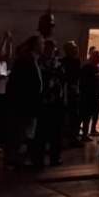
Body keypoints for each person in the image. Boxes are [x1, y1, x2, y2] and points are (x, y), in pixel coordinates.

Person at [4, 35, 42, 169]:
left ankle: (18, 159)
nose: (42, 46)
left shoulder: (32, 60)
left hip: (27, 102)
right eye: (41, 44)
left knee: (24, 133)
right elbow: (20, 84)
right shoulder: (26, 60)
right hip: (24, 103)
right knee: (20, 132)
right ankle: (14, 159)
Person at [31, 39, 65, 168]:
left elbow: (62, 80)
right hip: (43, 101)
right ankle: (38, 159)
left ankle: (54, 157)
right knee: (41, 132)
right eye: (47, 49)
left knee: (56, 132)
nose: (50, 51)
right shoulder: (39, 62)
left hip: (56, 101)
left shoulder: (57, 63)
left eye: (52, 49)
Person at [61, 41, 82, 148]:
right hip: (67, 91)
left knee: (74, 116)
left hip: (73, 91)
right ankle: (69, 138)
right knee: (69, 116)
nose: (76, 50)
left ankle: (73, 137)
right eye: (74, 48)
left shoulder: (75, 61)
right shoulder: (67, 62)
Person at [79, 49, 99, 141]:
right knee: (86, 115)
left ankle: (90, 130)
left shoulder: (93, 66)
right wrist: (97, 77)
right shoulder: (88, 67)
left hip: (93, 93)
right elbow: (86, 81)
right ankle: (84, 135)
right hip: (88, 94)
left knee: (93, 113)